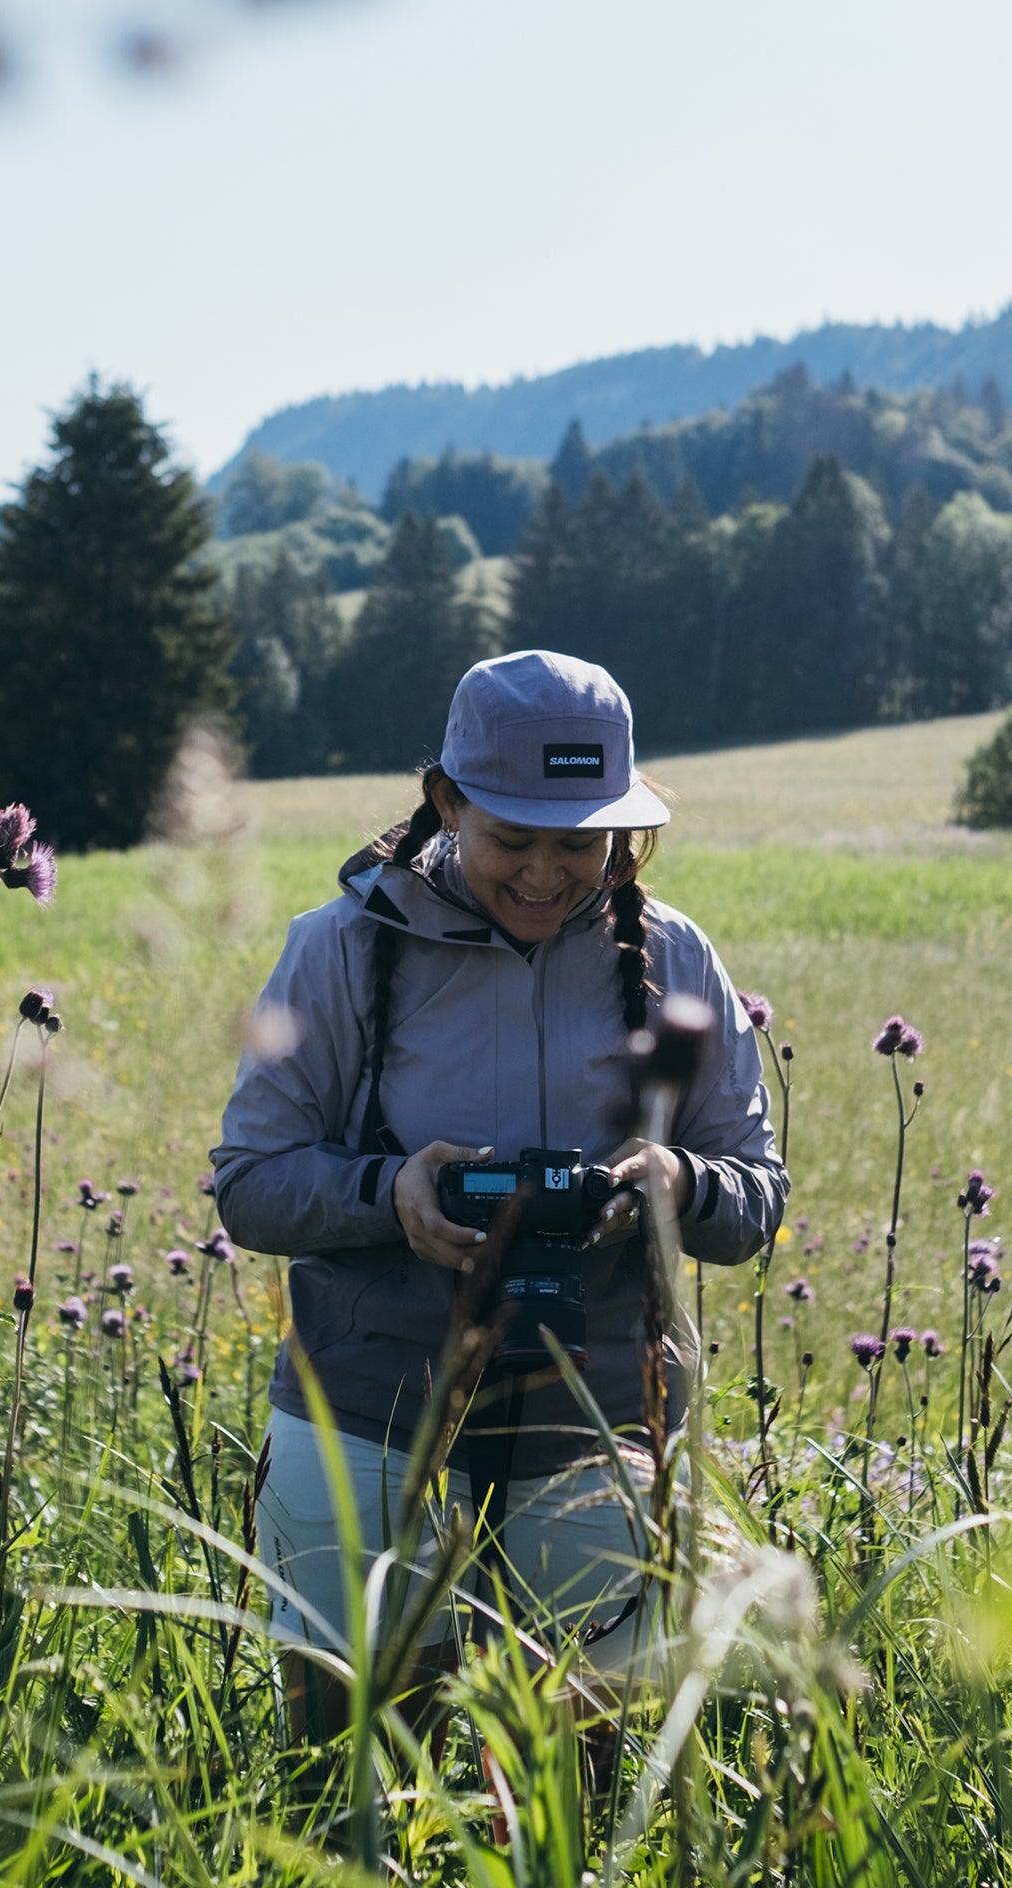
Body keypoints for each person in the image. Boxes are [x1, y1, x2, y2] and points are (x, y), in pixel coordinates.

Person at [212, 649, 786, 1741]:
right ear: (443, 801)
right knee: (353, 1753)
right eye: (509, 838)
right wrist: (395, 1194)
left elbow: (754, 1195)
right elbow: (249, 1185)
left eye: (578, 842)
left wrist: (672, 1182)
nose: (542, 872)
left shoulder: (673, 955)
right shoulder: (338, 948)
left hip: (604, 1408)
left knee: (587, 1763)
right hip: (367, 1401)